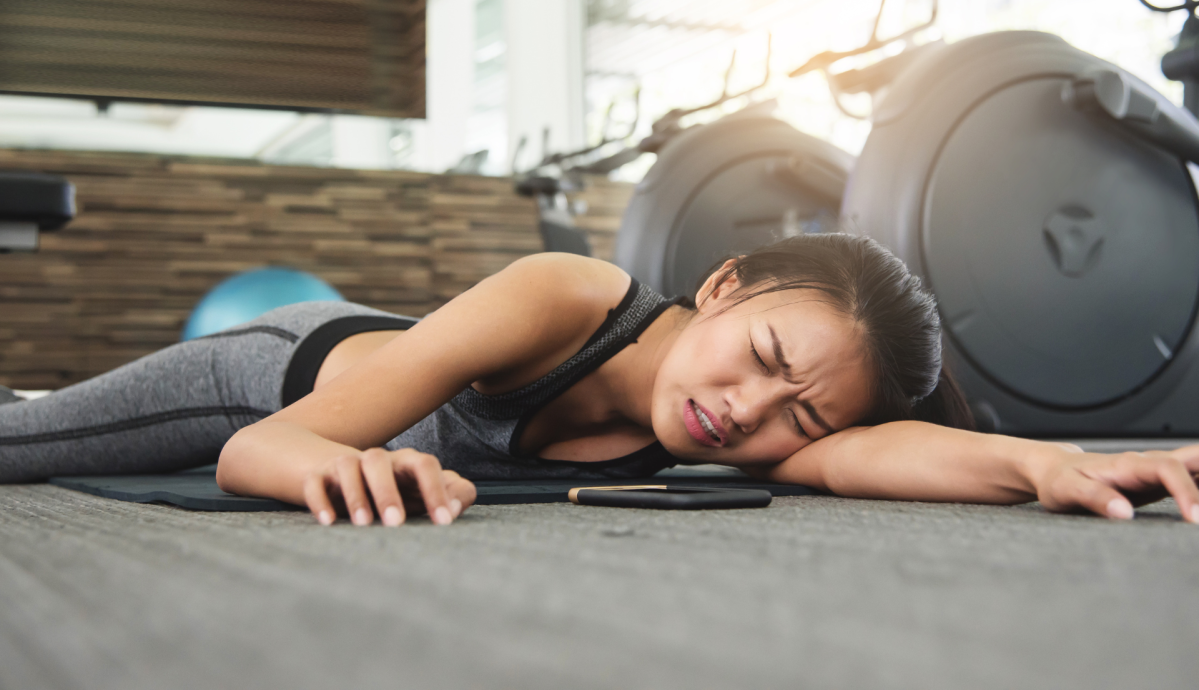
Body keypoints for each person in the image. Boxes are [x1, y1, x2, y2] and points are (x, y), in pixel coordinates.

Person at [2, 234, 1197, 527]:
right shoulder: (567, 295)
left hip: (318, 405)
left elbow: (877, 453)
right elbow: (254, 454)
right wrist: (347, 456)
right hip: (272, 378)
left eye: (803, 414)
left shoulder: (748, 429)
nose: (747, 411)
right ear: (724, 285)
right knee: (22, 449)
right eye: (767, 359)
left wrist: (1057, 462)